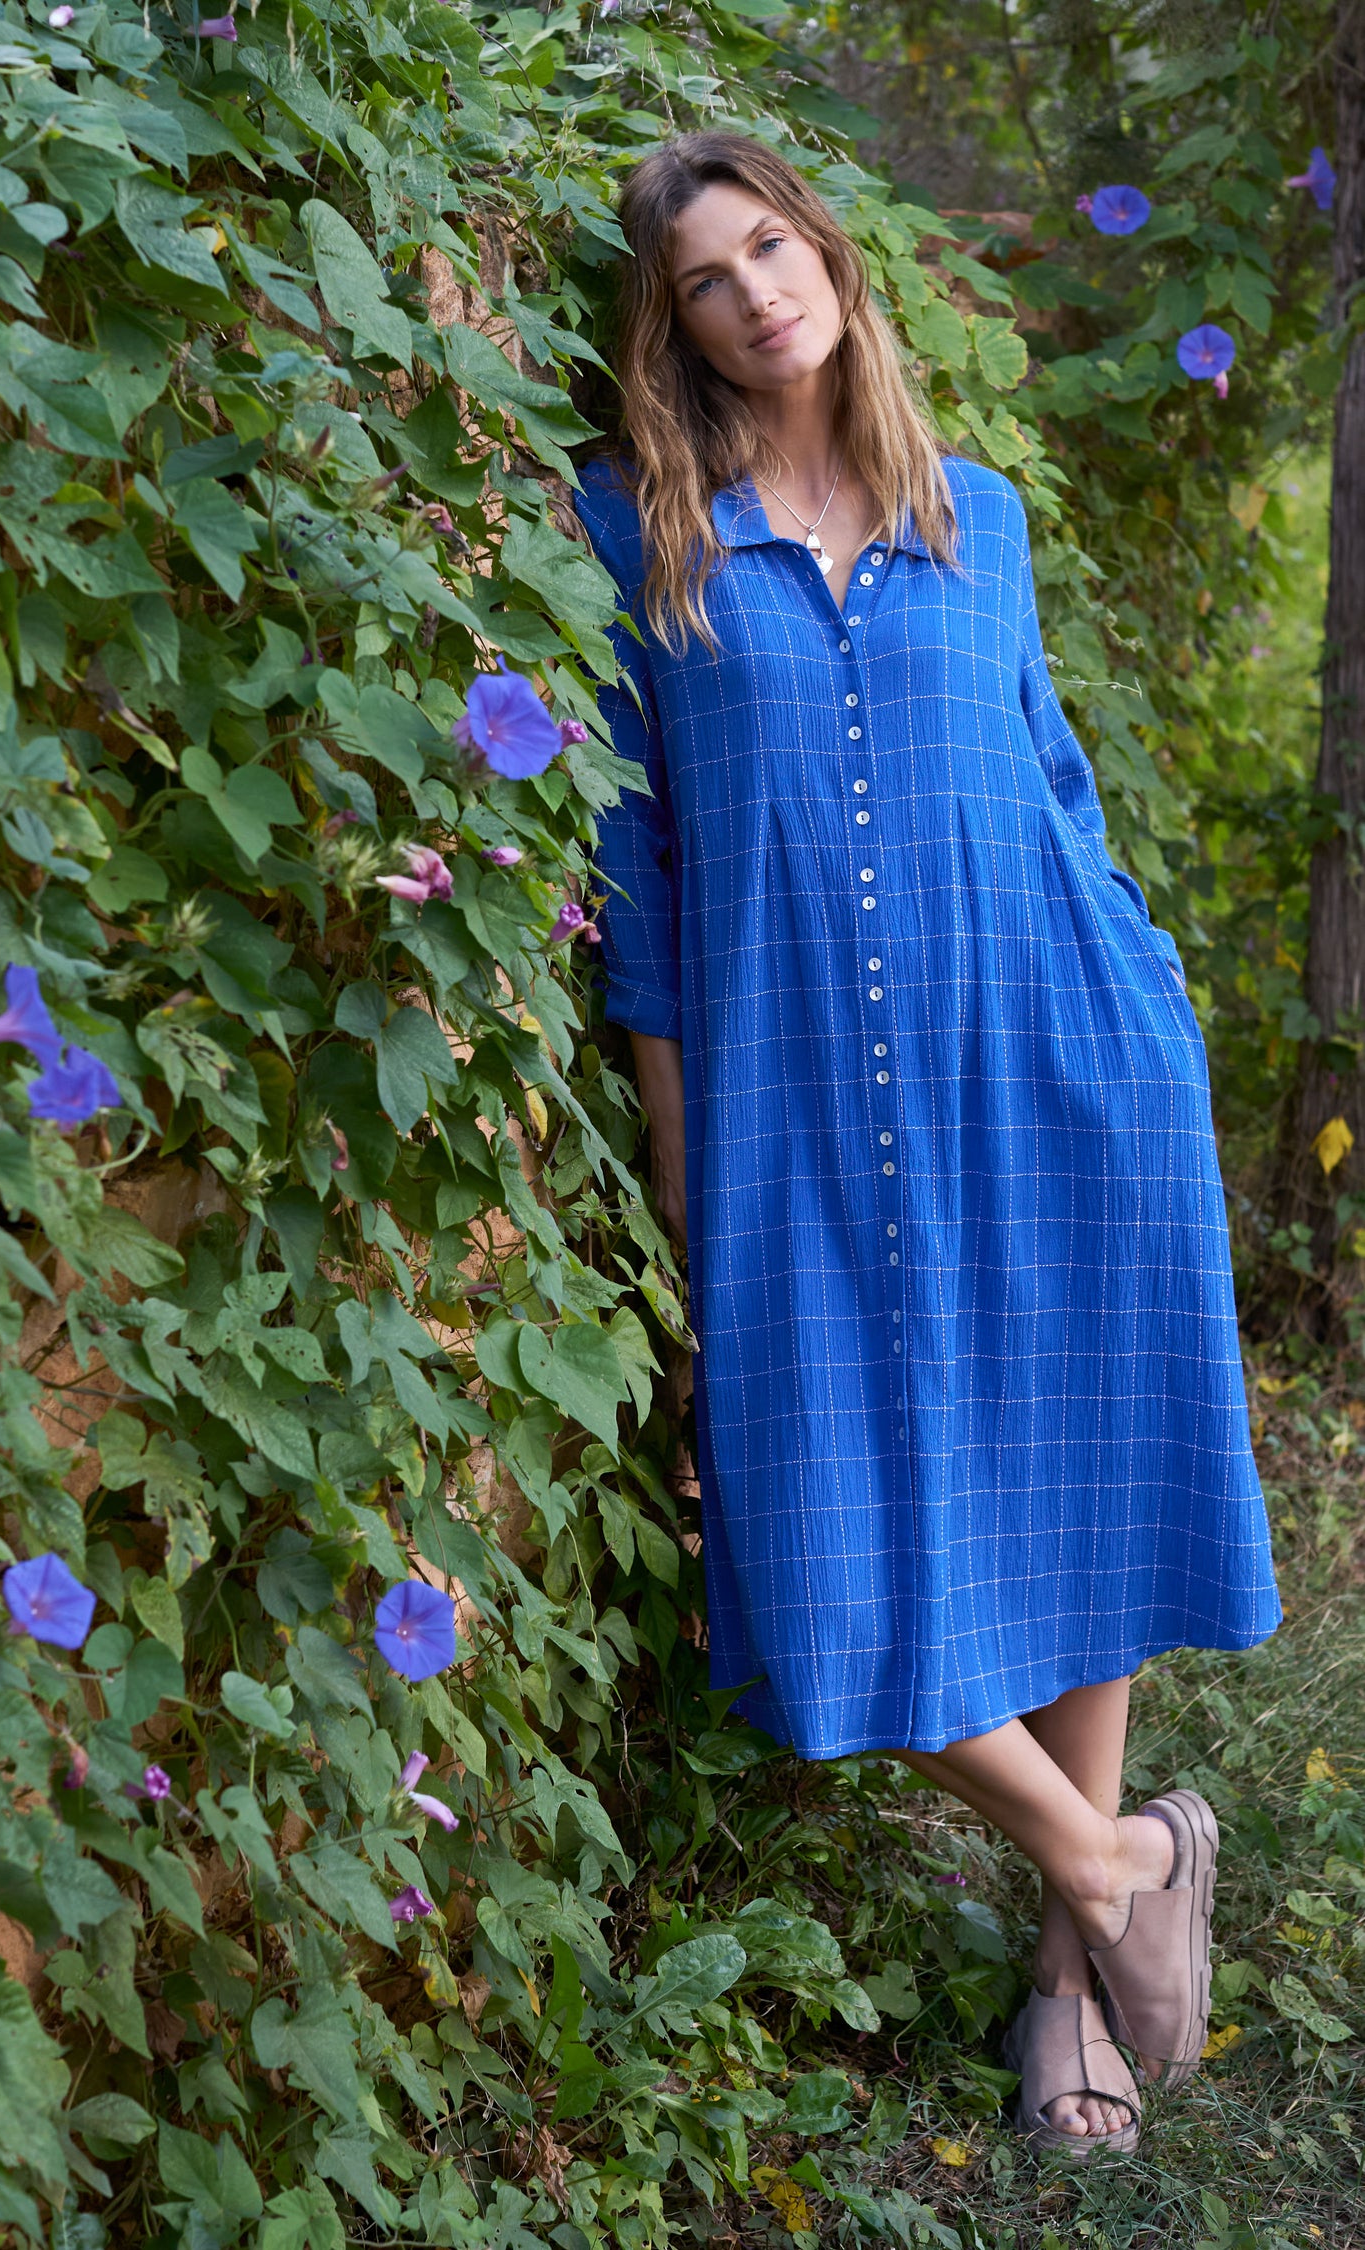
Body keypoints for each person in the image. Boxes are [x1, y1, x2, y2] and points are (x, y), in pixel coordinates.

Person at [571, 129, 1281, 2160]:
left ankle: (1071, 1997)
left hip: (1056, 1059)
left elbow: (1050, 784)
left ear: (835, 260)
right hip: (799, 1091)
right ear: (675, 325)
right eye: (705, 278)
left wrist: (1145, 1002)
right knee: (805, 1566)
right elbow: (641, 859)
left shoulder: (986, 518)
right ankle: (1124, 1867)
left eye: (771, 246)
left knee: (1079, 1496)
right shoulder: (641, 532)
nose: (752, 293)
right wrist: (682, 1138)